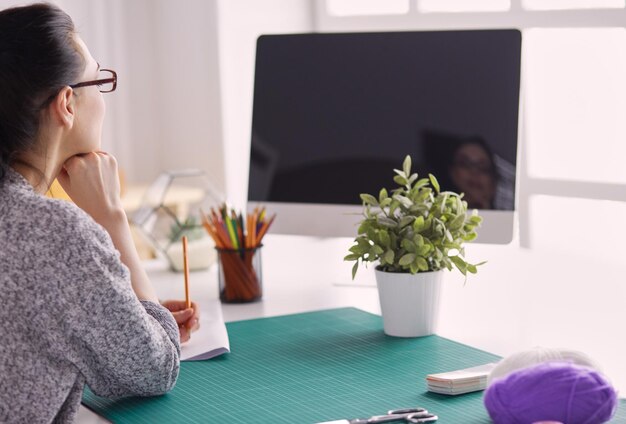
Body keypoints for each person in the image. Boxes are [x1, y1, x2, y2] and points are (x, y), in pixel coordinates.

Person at [0, 3, 198, 422]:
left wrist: (122, 310)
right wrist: (111, 219)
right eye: (100, 80)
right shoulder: (54, 233)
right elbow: (155, 369)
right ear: (67, 103)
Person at [446, 137, 498, 210]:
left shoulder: (509, 220)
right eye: (464, 164)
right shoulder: (434, 218)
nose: (474, 172)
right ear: (452, 172)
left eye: (482, 167)